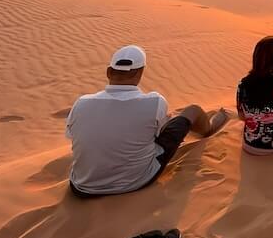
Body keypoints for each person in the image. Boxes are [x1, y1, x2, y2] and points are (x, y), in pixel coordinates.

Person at [66, 45, 227, 198]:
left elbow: (72, 136)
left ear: (108, 72)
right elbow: (160, 134)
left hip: (82, 187)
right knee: (192, 111)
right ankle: (210, 129)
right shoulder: (155, 101)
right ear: (140, 74)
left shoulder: (81, 102)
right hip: (135, 181)